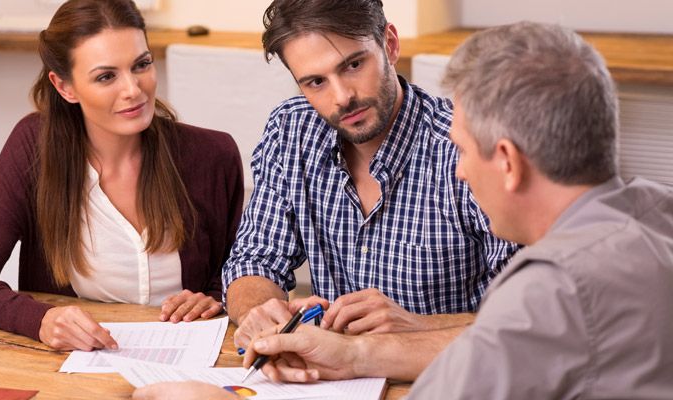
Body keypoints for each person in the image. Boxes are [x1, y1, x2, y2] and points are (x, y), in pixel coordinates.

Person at [133, 21, 673, 400]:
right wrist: (345, 353)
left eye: (464, 150)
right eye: (316, 80)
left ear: (506, 162)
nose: (460, 168)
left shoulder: (552, 289)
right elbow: (254, 260)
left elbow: (499, 338)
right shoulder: (654, 212)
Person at [0, 0, 244, 352]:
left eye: (142, 65)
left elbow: (238, 272)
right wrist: (40, 320)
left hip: (192, 360)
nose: (133, 89)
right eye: (106, 76)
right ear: (65, 87)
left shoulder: (212, 155)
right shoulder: (34, 148)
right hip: (76, 366)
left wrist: (216, 297)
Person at [223, 0, 518, 350]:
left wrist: (416, 325)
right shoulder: (291, 130)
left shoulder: (465, 146)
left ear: (389, 45)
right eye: (316, 81)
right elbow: (254, 259)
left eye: (353, 65)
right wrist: (262, 313)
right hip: (332, 378)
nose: (343, 97)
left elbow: (529, 317)